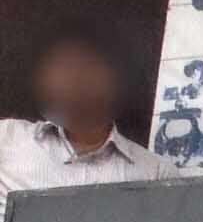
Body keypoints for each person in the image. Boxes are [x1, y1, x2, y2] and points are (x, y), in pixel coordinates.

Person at [0, 23, 160, 195]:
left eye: (90, 67)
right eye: (65, 68)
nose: (76, 79)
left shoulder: (155, 172)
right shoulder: (7, 137)